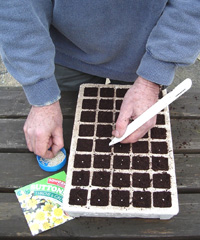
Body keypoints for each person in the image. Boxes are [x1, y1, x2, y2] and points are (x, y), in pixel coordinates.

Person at [0, 1, 200, 159]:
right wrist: (41, 96)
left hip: (145, 52)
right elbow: (16, 6)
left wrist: (153, 77)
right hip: (65, 50)